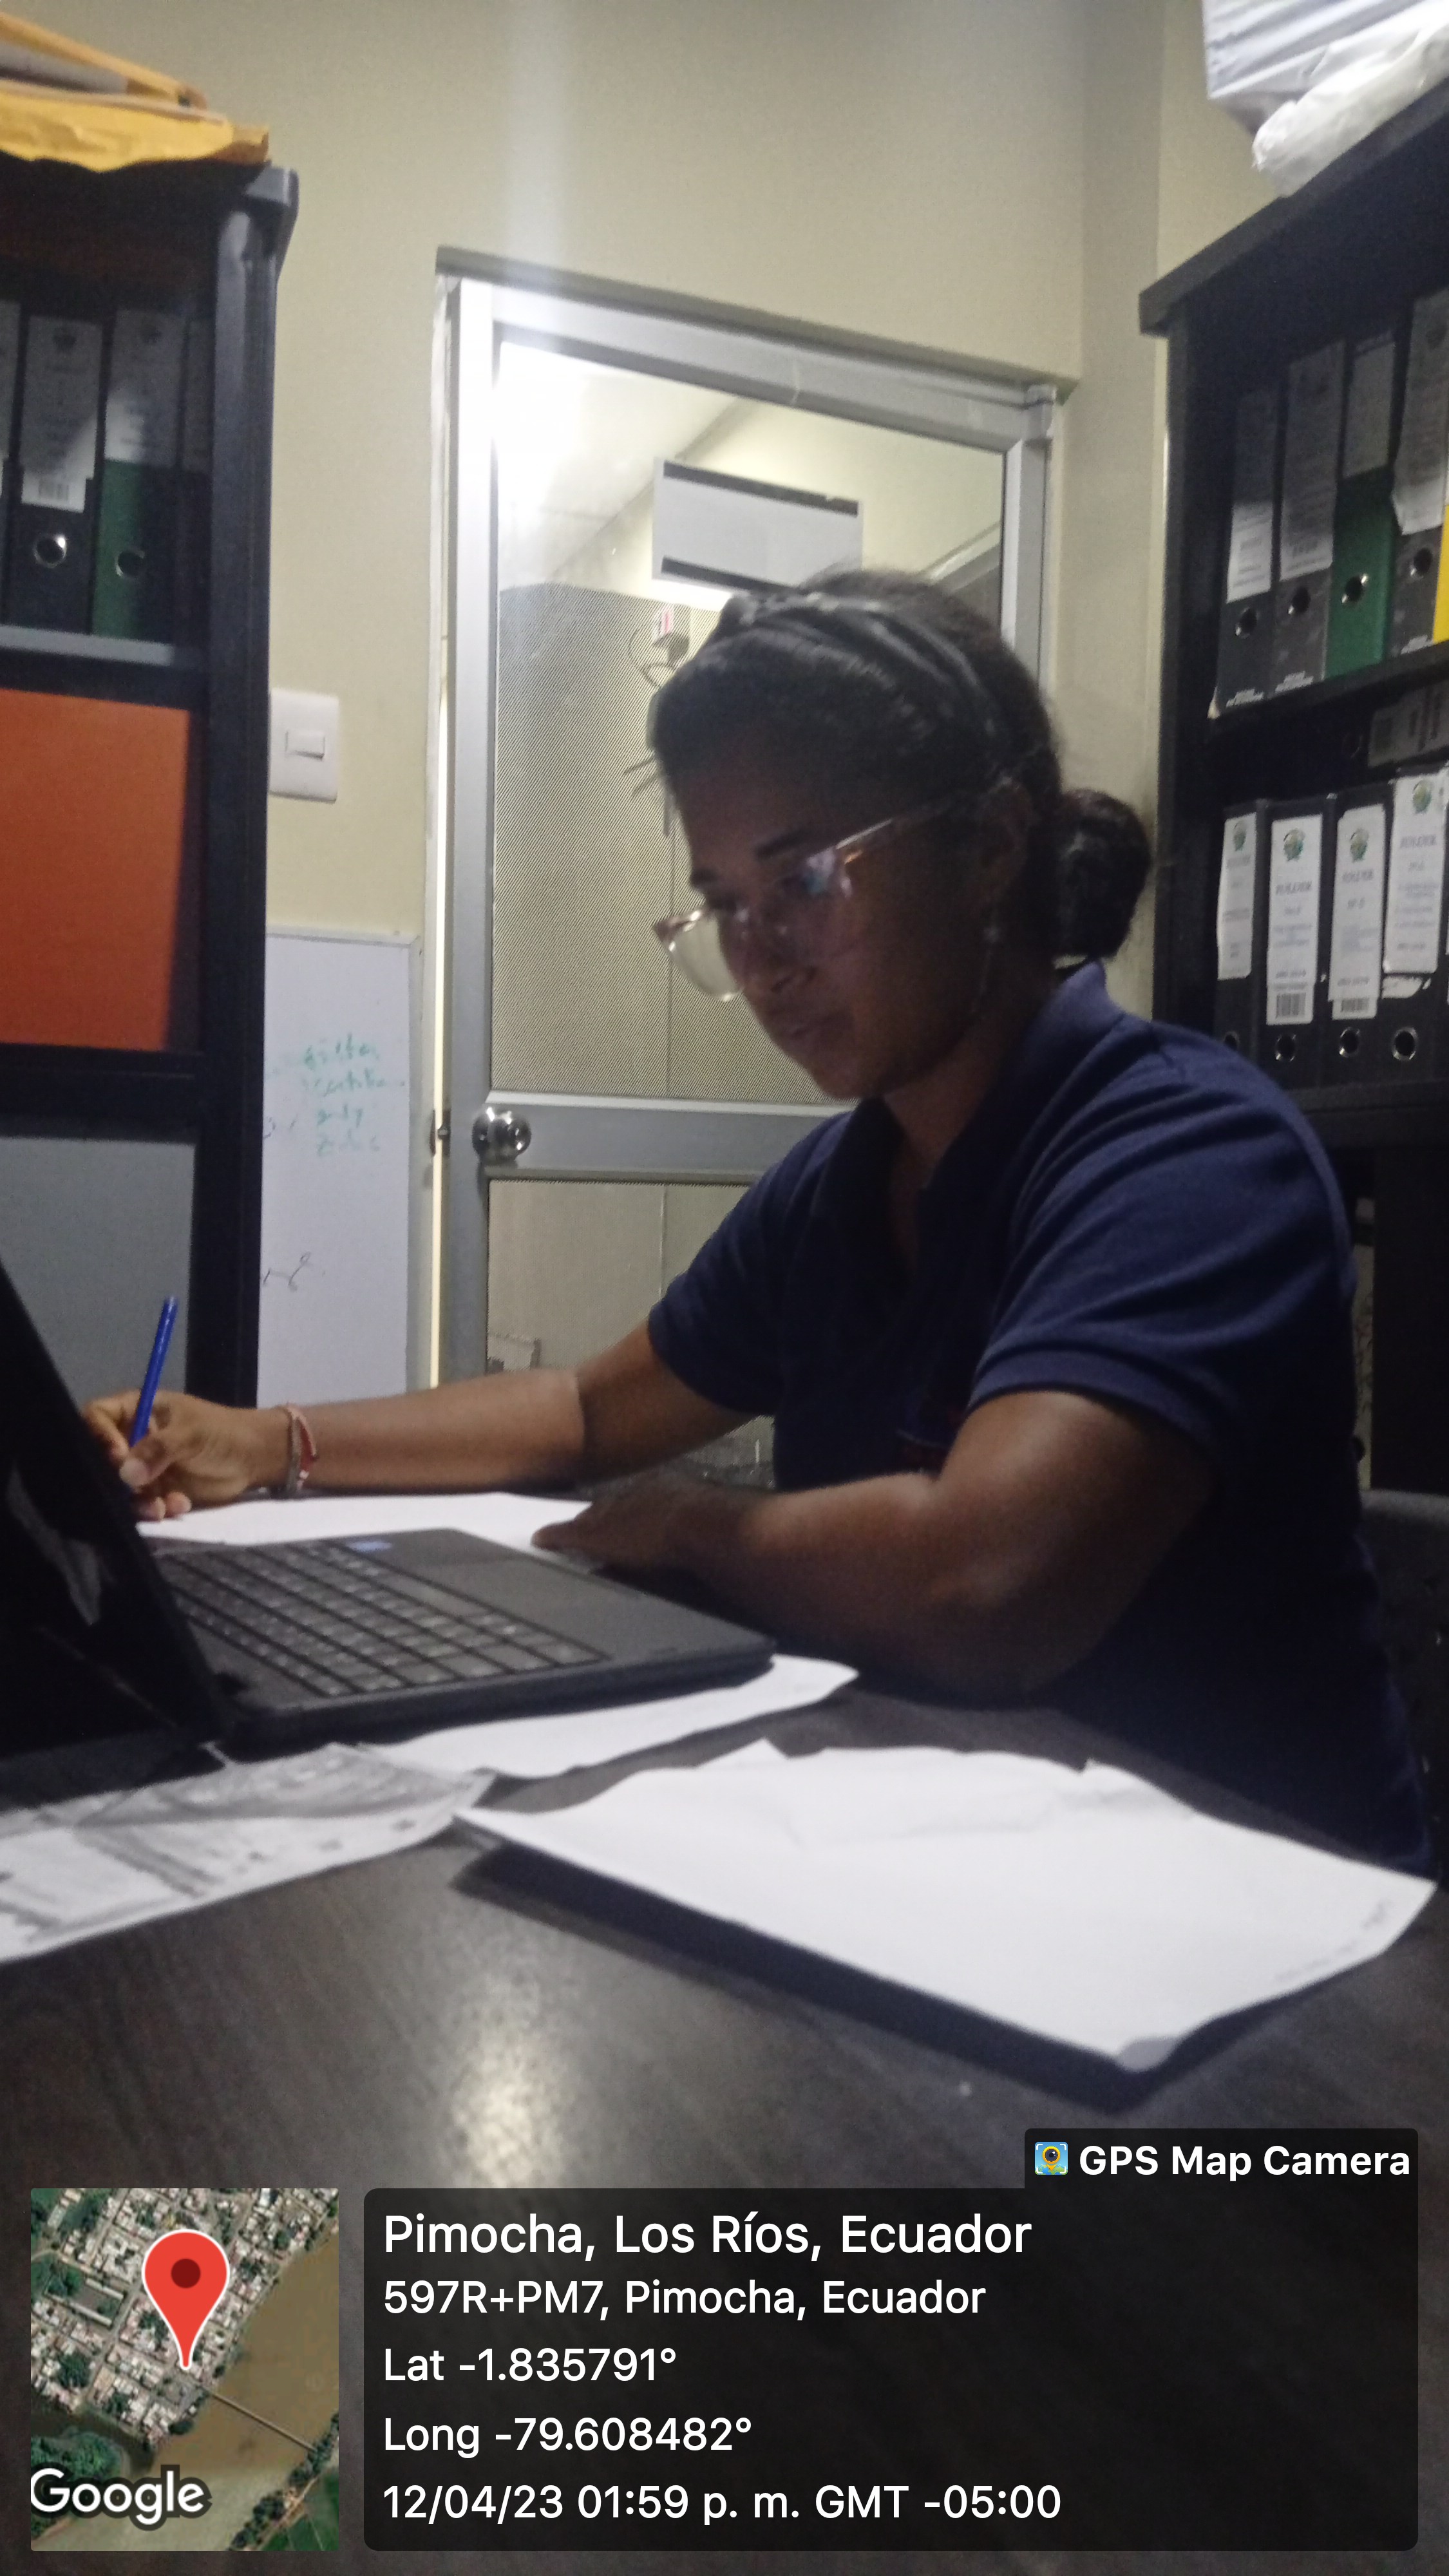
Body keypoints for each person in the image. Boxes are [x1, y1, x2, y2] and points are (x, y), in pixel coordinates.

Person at [86, 570, 1431, 1870]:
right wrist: (270, 1440)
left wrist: (691, 1528)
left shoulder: (1190, 1153)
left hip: (1260, 1918)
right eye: (725, 903)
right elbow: (583, 1412)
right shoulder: (845, 1181)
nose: (761, 956)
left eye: (806, 880)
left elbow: (983, 1584)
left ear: (990, 845)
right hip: (944, 1842)